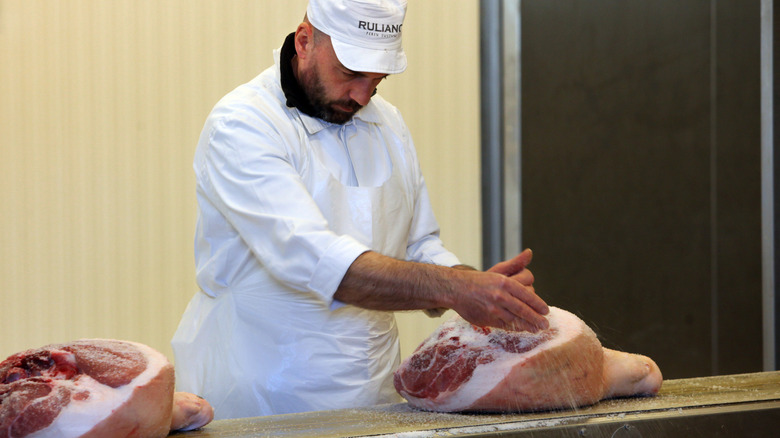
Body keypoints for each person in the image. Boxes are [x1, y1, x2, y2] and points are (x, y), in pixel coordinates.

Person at [171, 0, 549, 420]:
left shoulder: (388, 124)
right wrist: (454, 289)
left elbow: (419, 245)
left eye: (377, 79)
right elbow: (316, 260)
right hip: (262, 397)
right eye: (350, 73)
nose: (362, 95)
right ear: (304, 41)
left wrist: (475, 284)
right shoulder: (243, 124)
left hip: (376, 395)